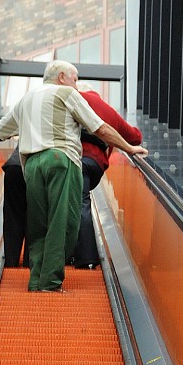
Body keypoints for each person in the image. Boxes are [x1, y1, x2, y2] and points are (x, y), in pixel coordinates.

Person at [0, 60, 147, 292]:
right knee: (65, 222)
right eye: (74, 78)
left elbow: (0, 129)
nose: (76, 83)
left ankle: (36, 280)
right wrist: (129, 149)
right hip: (61, 161)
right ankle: (50, 283)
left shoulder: (27, 99)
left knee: (37, 223)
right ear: (61, 77)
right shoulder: (67, 94)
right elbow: (100, 128)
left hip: (30, 165)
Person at [72, 82, 142, 267]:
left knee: (76, 204)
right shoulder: (107, 109)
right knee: (81, 202)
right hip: (96, 164)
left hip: (75, 159)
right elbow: (135, 136)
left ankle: (85, 258)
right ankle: (84, 258)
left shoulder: (73, 98)